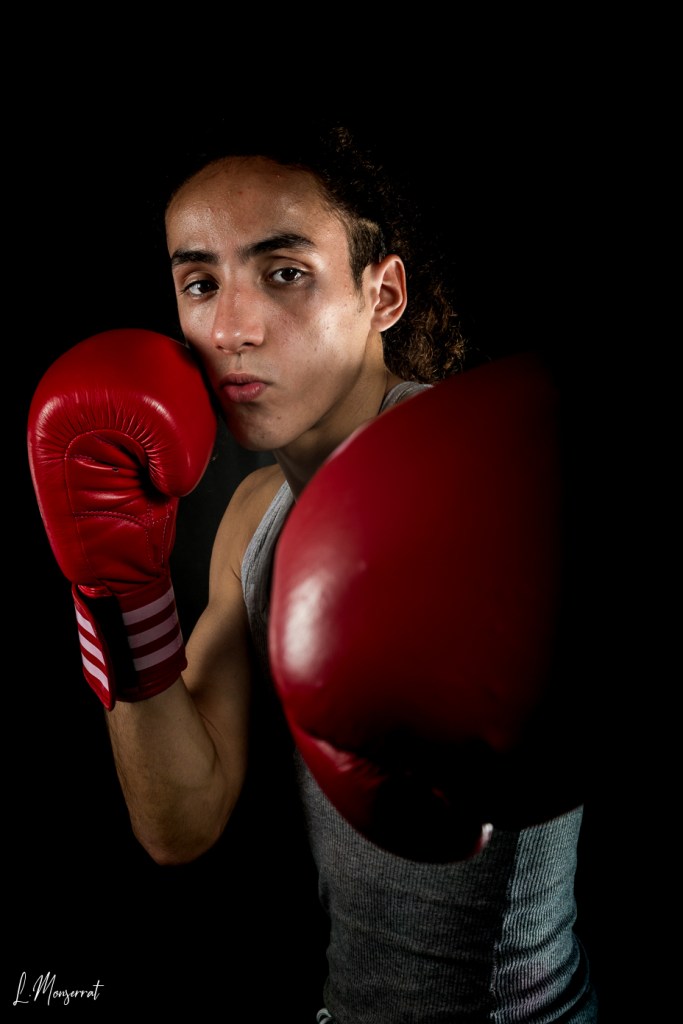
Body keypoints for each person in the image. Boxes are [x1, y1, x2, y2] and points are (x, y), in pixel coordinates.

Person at [27, 119, 599, 1021]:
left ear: (383, 294)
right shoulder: (253, 514)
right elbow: (181, 822)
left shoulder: (483, 479)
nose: (231, 329)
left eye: (284, 273)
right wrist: (118, 591)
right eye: (200, 283)